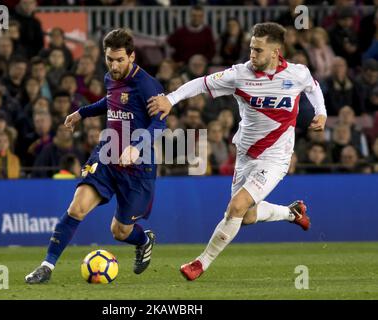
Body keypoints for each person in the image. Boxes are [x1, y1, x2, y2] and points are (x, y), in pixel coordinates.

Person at [147, 22, 327, 281]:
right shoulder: (239, 74)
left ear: (276, 52)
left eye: (258, 50)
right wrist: (171, 99)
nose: (252, 55)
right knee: (247, 216)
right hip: (246, 154)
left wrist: (321, 112)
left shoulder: (297, 74)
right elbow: (201, 83)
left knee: (236, 207)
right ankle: (293, 212)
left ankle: (201, 263)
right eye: (251, 49)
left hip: (276, 156)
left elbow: (313, 87)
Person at [25, 29, 166, 284]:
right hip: (108, 154)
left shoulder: (147, 85)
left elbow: (160, 123)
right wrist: (82, 112)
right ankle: (46, 266)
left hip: (138, 167)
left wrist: (136, 146)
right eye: (109, 59)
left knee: (119, 231)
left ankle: (144, 240)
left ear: (132, 57)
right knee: (76, 208)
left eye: (120, 59)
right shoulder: (110, 77)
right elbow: (110, 102)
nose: (114, 65)